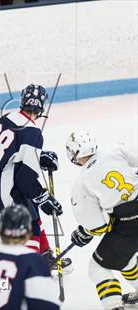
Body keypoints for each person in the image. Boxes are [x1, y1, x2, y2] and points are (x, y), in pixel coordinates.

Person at [0, 84, 71, 269]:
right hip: (1, 188)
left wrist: (38, 157)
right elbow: (25, 179)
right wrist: (44, 198)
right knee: (28, 216)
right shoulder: (33, 132)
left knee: (31, 204)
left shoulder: (7, 118)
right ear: (42, 106)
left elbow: (12, 153)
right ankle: (29, 268)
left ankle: (44, 255)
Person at [67, 130, 138, 309]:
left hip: (130, 224)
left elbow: (97, 226)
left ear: (73, 155)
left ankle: (114, 305)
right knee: (124, 258)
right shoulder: (115, 150)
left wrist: (84, 232)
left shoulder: (81, 183)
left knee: (97, 268)